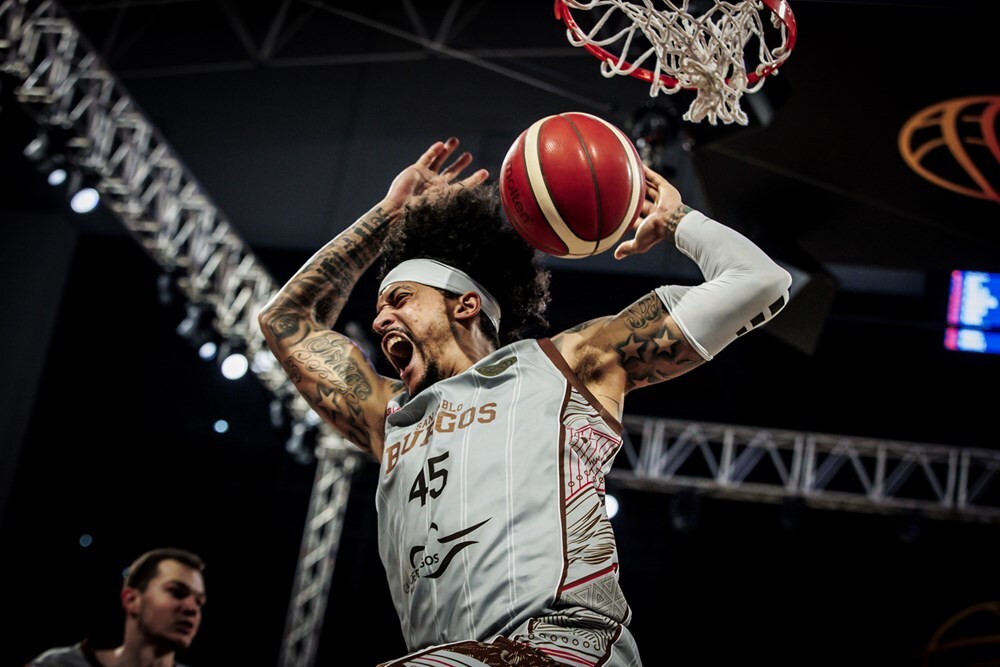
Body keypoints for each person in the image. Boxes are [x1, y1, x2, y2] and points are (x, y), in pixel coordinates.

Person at [258, 136, 791, 666]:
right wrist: (386, 216)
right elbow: (284, 322)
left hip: (565, 646)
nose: (378, 321)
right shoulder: (389, 417)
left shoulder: (568, 364)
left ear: (465, 305)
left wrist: (677, 221)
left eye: (399, 299)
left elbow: (760, 281)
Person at [27, 547, 207, 667]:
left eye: (199, 601)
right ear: (131, 600)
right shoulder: (57, 664)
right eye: (176, 592)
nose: (192, 609)